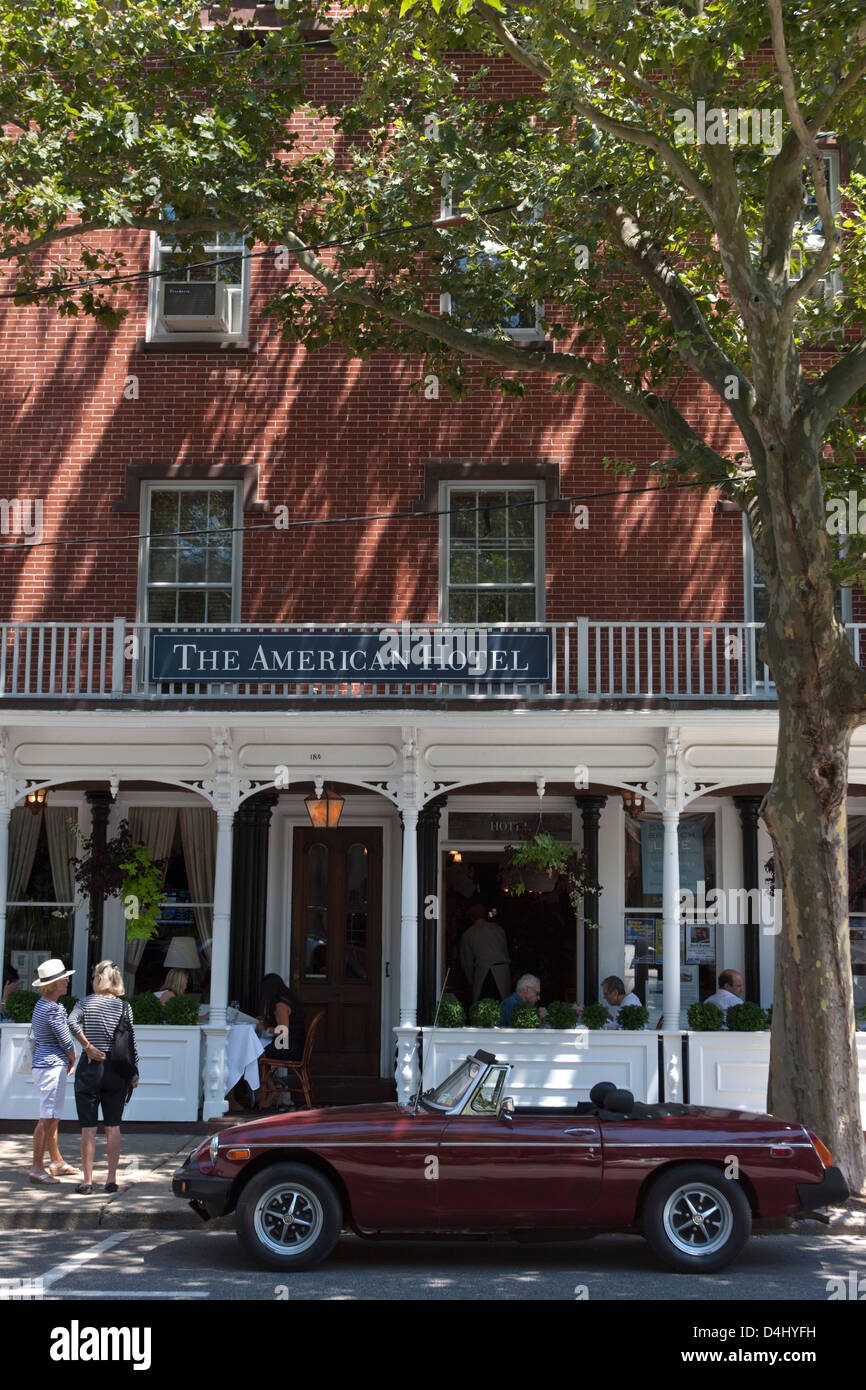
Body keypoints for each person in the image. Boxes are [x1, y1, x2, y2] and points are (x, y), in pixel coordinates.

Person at [68, 960, 139, 1195]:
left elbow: (71, 1022)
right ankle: (111, 1179)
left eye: (92, 976)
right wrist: (134, 1071)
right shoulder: (124, 1007)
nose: (91, 980)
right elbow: (131, 1042)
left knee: (88, 1128)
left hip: (90, 1067)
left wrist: (87, 1047)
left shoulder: (85, 1003)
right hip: (117, 1071)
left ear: (99, 978)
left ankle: (87, 1181)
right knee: (113, 1126)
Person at [28, 959, 81, 1183]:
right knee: (47, 1118)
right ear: (53, 984)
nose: (67, 981)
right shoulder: (53, 1009)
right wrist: (74, 1058)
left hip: (44, 1065)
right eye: (63, 979)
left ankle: (56, 1161)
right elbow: (66, 1041)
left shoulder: (42, 1005)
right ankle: (37, 1168)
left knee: (52, 1117)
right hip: (52, 1066)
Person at [459, 902, 511, 1002]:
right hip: (502, 972)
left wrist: (471, 980)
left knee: (484, 1008)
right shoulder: (498, 929)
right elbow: (505, 950)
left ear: (471, 917)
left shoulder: (468, 934)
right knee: (502, 1007)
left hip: (483, 974)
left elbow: (467, 962)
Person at [259, 973, 306, 1062]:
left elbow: (282, 1032)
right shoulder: (289, 1000)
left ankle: (258, 1076)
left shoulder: (280, 1006)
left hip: (288, 1048)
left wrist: (265, 1028)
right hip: (297, 1045)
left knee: (255, 1048)